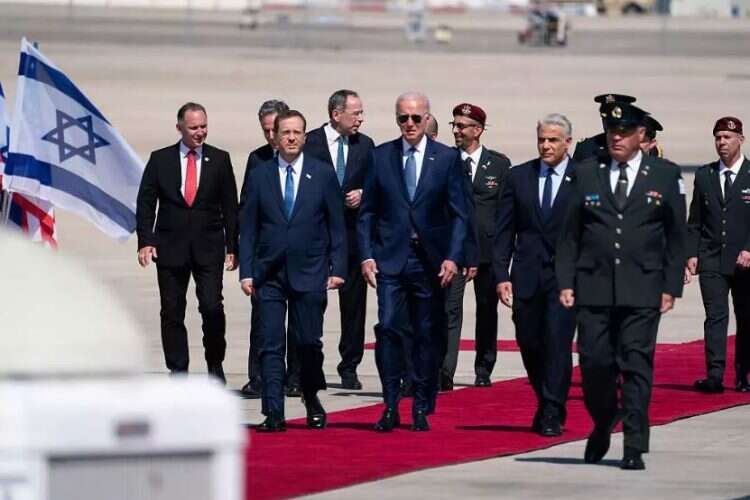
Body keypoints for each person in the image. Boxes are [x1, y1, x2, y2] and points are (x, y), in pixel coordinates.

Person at [556, 102, 687, 470]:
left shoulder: (664, 174)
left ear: (641, 136)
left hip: (642, 286)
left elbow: (677, 236)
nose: (616, 137)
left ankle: (634, 444)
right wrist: (566, 281)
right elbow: (569, 235)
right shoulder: (587, 172)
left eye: (625, 132)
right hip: (594, 285)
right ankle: (603, 420)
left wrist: (670, 285)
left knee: (636, 363)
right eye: (612, 131)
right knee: (595, 363)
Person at [358, 92, 470, 432]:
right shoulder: (380, 157)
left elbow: (461, 215)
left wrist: (453, 257)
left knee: (426, 333)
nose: (409, 124)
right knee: (389, 328)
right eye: (402, 118)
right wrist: (366, 255)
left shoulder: (447, 159)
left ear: (426, 119)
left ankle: (421, 403)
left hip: (430, 262)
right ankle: (390, 403)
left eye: (415, 119)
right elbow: (367, 213)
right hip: (390, 260)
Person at [239, 109, 347, 432]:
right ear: (274, 136)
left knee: (307, 342)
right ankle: (273, 411)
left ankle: (311, 397)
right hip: (269, 274)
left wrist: (338, 267)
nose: (290, 138)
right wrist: (247, 271)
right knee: (271, 344)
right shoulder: (260, 175)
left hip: (310, 271)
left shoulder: (323, 174)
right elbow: (250, 228)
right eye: (284, 132)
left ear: (304, 136)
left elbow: (337, 227)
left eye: (297, 132)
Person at [136, 102, 238, 383]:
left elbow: (230, 206)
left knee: (211, 307)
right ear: (179, 126)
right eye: (194, 127)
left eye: (204, 126)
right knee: (171, 311)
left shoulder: (219, 159)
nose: (200, 132)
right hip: (170, 248)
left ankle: (215, 364)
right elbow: (146, 202)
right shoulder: (160, 159)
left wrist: (233, 247)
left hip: (209, 248)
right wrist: (145, 240)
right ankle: (178, 369)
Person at [494, 113, 577, 437]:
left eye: (553, 140)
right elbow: (504, 231)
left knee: (557, 343)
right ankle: (545, 400)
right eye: (542, 139)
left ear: (567, 142)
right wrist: (502, 274)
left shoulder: (583, 178)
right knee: (529, 342)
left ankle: (553, 410)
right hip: (526, 276)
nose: (546, 145)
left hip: (564, 280)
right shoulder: (519, 177)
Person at [304, 90, 375, 390]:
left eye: (361, 112)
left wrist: (363, 194)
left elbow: (377, 185)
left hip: (352, 238)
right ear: (336, 114)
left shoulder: (366, 145)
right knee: (311, 303)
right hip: (317, 238)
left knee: (354, 307)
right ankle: (309, 366)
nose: (361, 118)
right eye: (355, 112)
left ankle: (350, 366)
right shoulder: (309, 143)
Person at [440, 103, 511, 391]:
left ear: (478, 130)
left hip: (488, 251)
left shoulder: (499, 164)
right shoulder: (444, 161)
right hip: (455, 251)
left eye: (462, 126)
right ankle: (445, 370)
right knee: (450, 310)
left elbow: (507, 212)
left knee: (486, 310)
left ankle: (484, 367)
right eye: (454, 125)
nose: (456, 130)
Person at [238, 99, 300, 398]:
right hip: (266, 255)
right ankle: (258, 376)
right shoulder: (257, 159)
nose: (271, 137)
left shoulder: (309, 160)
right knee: (262, 320)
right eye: (265, 131)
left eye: (274, 129)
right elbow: (246, 209)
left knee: (300, 324)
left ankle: (295, 377)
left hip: (299, 257)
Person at [687, 116, 750, 394]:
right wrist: (691, 253)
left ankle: (743, 373)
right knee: (715, 316)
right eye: (718, 137)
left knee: (746, 317)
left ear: (741, 140)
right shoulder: (705, 175)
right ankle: (714, 375)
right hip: (711, 256)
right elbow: (695, 220)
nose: (722, 143)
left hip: (745, 261)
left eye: (727, 137)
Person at [572, 93, 637, 163]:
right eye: (606, 119)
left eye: (616, 121)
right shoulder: (586, 148)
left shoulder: (642, 144)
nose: (610, 125)